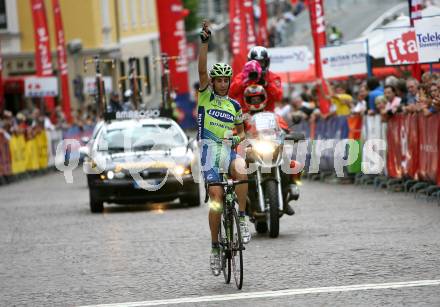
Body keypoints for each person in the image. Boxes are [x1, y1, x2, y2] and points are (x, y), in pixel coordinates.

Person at [198, 21, 250, 276]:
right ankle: (216, 247)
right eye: (218, 80)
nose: (221, 84)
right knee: (216, 198)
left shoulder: (235, 106)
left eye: (225, 80)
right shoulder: (205, 96)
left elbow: (242, 132)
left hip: (228, 151)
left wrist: (237, 140)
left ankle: (241, 217)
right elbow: (200, 72)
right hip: (209, 152)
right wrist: (205, 43)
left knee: (242, 169)